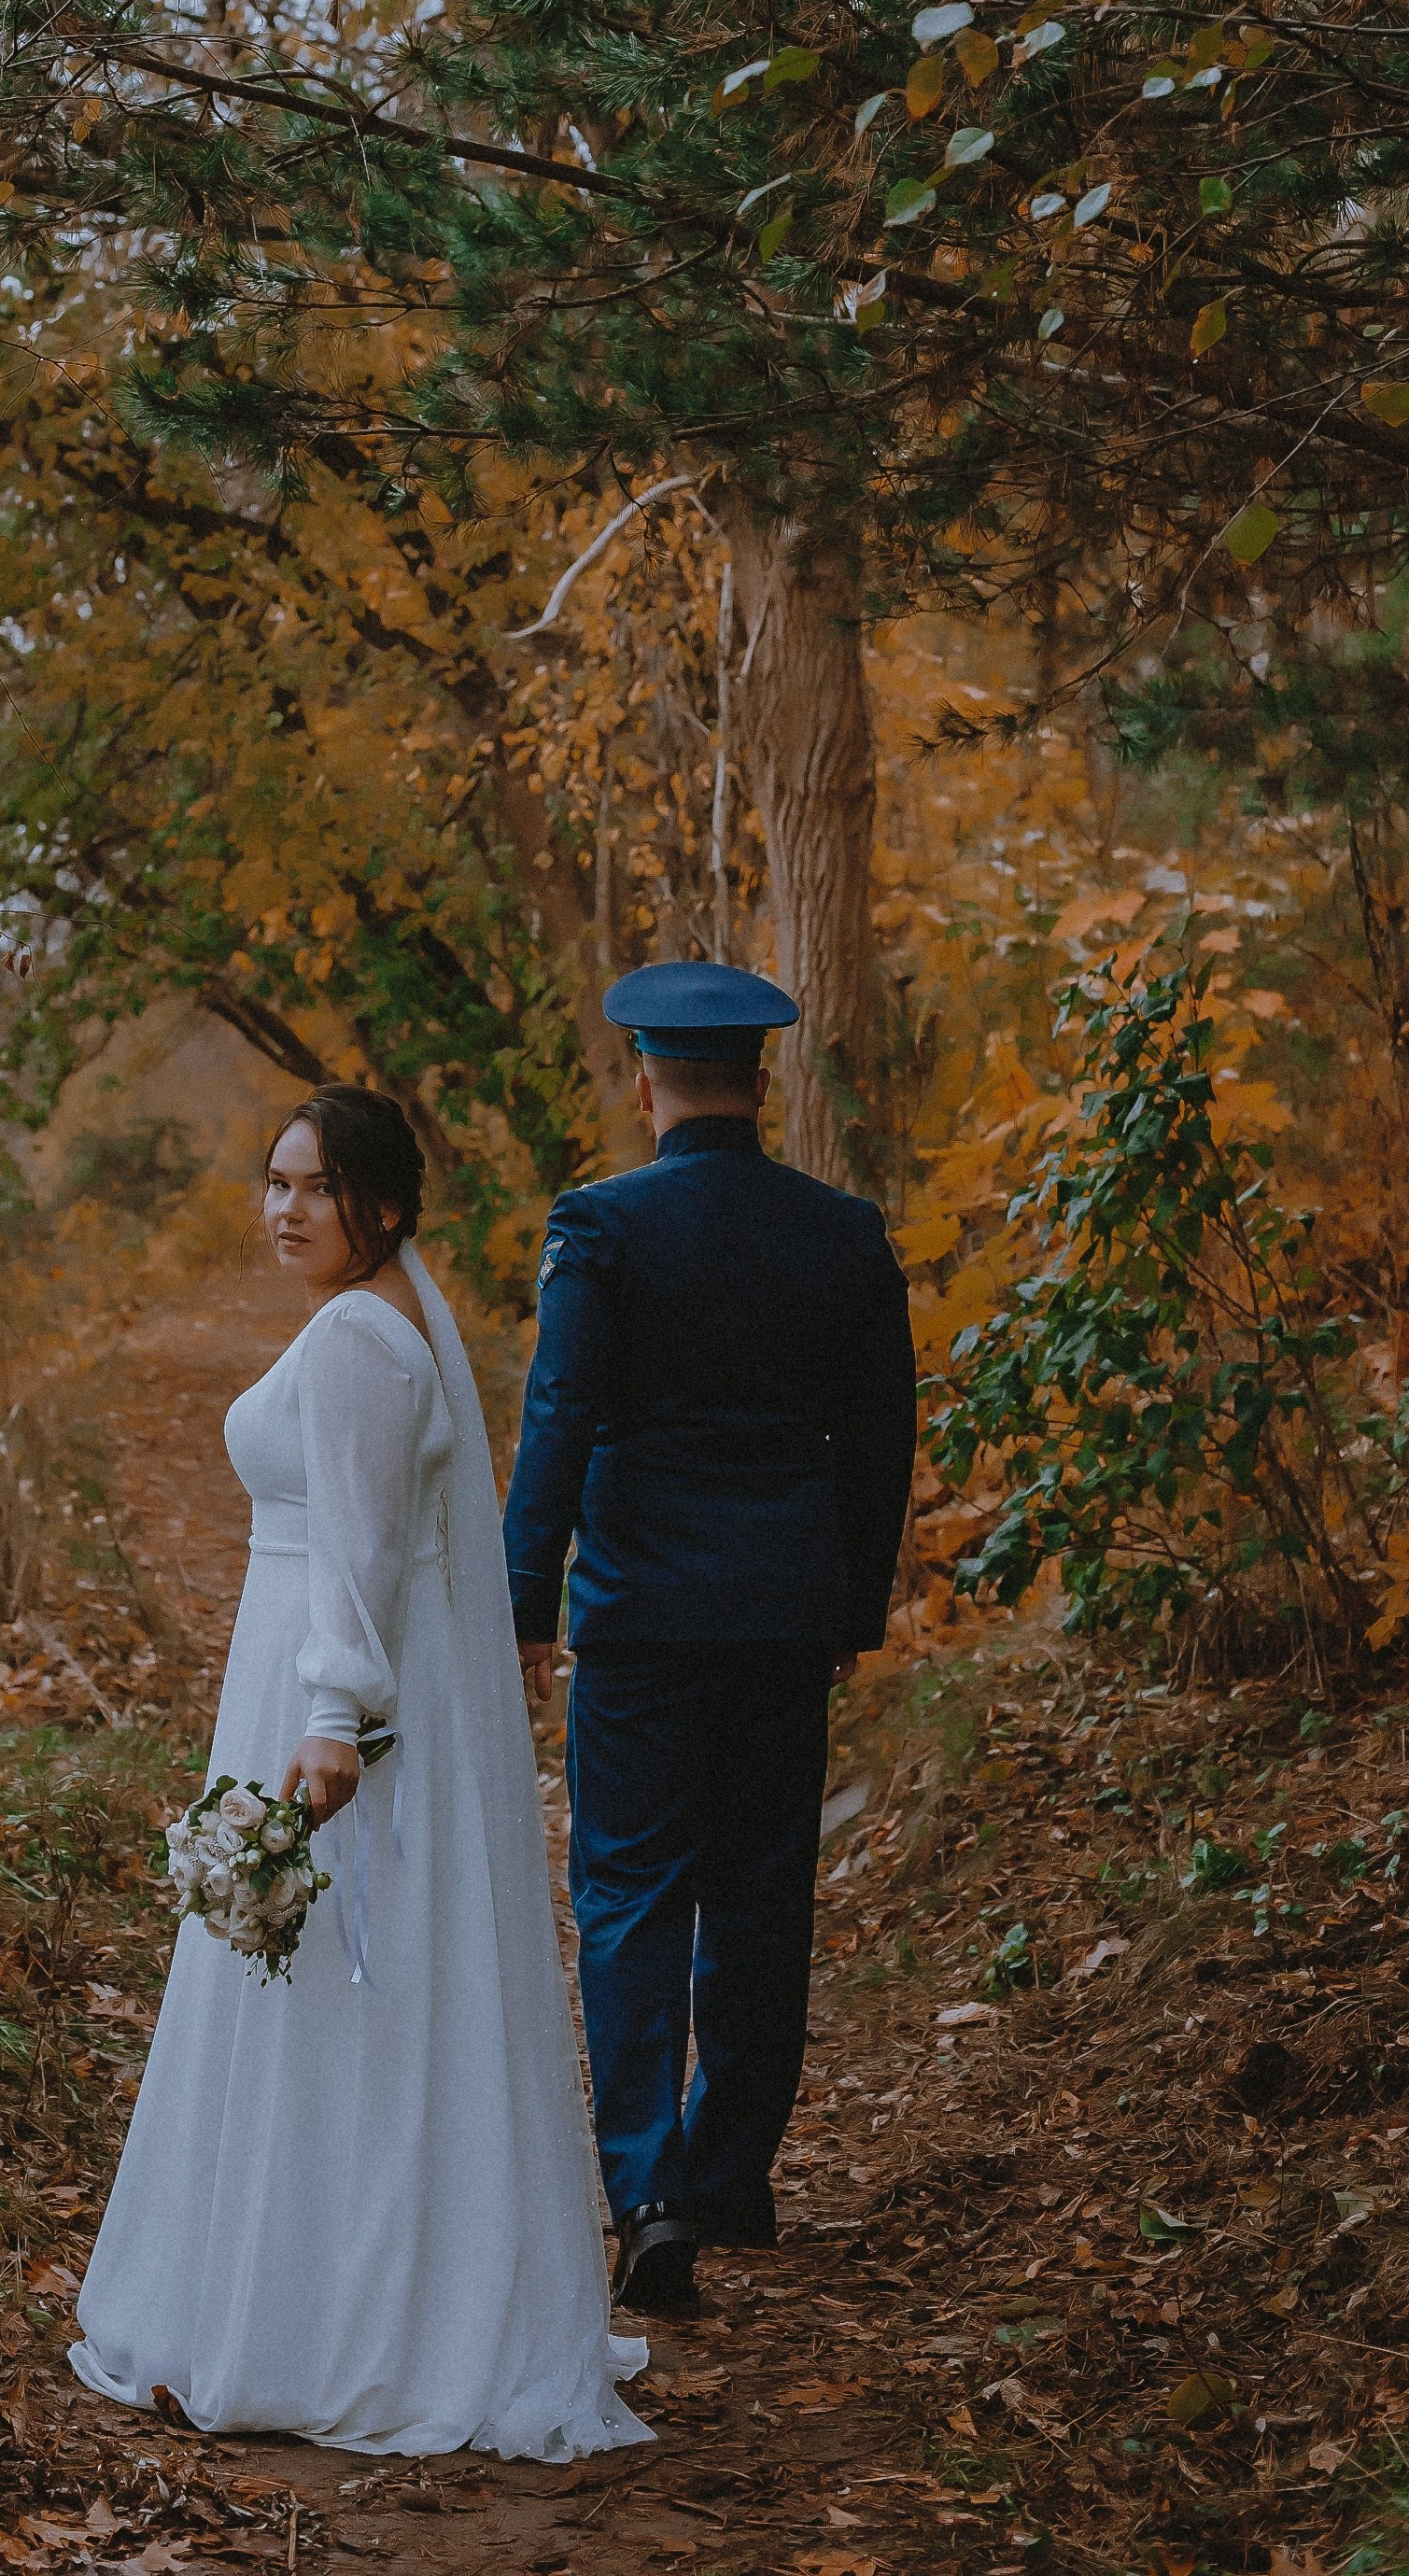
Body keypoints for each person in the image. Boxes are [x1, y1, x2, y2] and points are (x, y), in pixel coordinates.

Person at [72, 1083, 648, 2460]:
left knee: (335, 1990)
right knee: (353, 1998)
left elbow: (363, 1552)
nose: (286, 1210)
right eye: (275, 1183)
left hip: (330, 1694)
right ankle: (358, 2292)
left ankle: (339, 2324)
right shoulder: (394, 1314)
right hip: (331, 1676)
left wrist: (332, 1720)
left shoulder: (356, 1341)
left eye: (316, 1188)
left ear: (380, 1204)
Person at [500, 962, 917, 2317]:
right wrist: (851, 1607)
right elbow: (883, 1439)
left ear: (646, 1085)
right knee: (760, 1890)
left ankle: (650, 2195)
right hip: (785, 1611)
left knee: (629, 1893)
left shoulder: (601, 1226)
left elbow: (559, 1416)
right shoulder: (843, 1234)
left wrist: (522, 1603)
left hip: (640, 1618)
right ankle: (732, 2173)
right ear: (760, 1081)